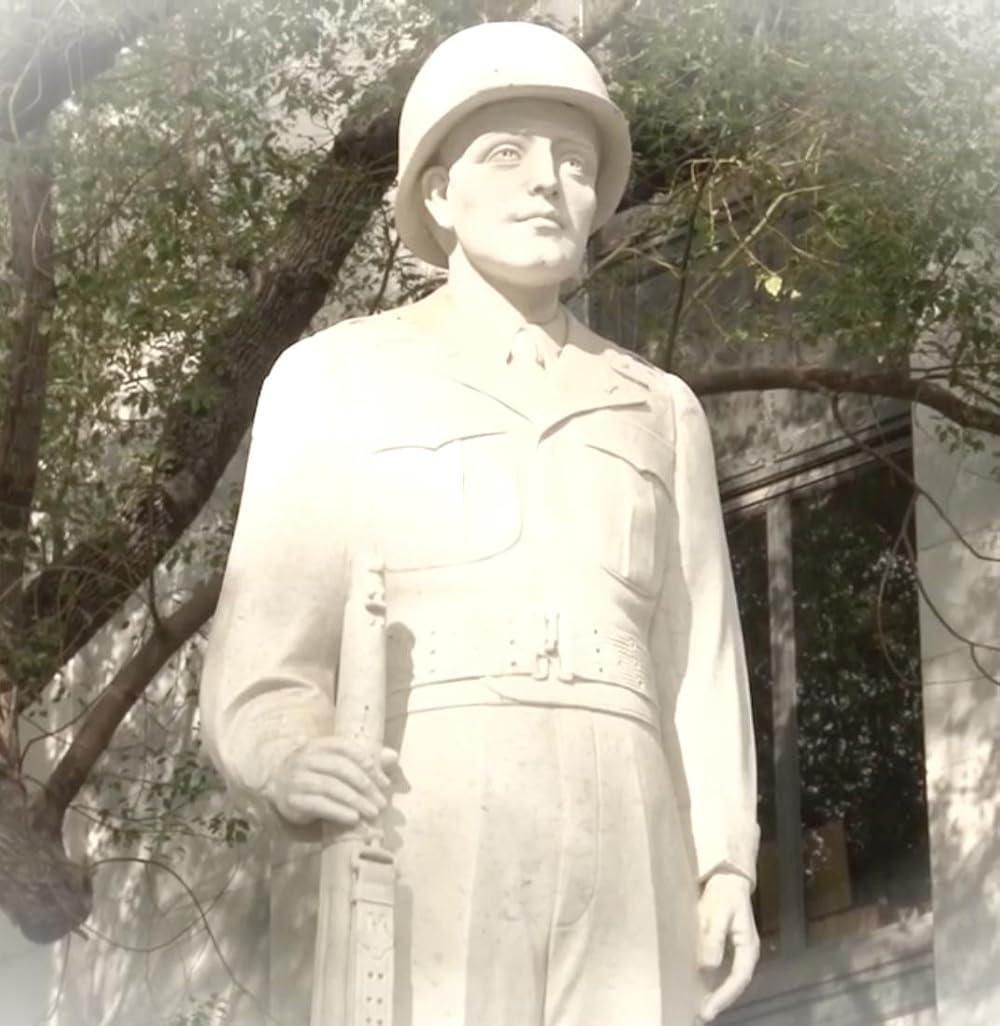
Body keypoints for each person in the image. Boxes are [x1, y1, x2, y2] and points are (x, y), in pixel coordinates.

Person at [200, 20, 760, 1026]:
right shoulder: (336, 379)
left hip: (628, 821)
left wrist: (724, 862)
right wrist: (285, 753)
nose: (547, 181)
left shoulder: (659, 407)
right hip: (429, 802)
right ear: (436, 195)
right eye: (507, 153)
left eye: (574, 161)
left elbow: (698, 661)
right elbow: (267, 649)